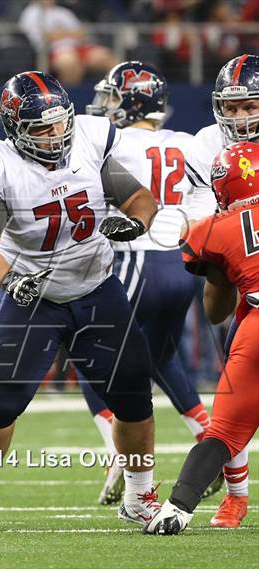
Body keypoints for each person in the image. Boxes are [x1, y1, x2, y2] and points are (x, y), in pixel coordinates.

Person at [0, 70, 159, 533]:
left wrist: (135, 224)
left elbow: (142, 199)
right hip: (33, 295)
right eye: (40, 128)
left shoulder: (88, 141)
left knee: (133, 397)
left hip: (97, 288)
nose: (54, 134)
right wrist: (11, 280)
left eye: (59, 122)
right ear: (14, 128)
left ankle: (140, 494)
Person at [84, 61, 214, 507]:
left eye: (114, 97)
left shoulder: (114, 142)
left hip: (134, 262)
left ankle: (119, 454)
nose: (107, 106)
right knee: (159, 357)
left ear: (132, 100)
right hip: (180, 265)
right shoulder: (185, 142)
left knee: (90, 354)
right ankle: (207, 435)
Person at [144, 140, 259, 535]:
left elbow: (214, 311)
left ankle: (176, 509)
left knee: (223, 432)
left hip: (257, 327)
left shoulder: (212, 230)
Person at [183, 53, 259, 528]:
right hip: (242, 273)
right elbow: (201, 221)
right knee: (233, 393)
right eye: (230, 108)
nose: (240, 117)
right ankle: (236, 494)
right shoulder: (206, 148)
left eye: (249, 105)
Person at [18, 0, 116, 86]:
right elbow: (40, 39)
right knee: (70, 62)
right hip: (53, 51)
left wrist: (57, 34)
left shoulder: (63, 11)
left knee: (105, 57)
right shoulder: (31, 13)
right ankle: (73, 99)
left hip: (78, 47)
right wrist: (67, 34)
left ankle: (112, 95)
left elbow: (81, 33)